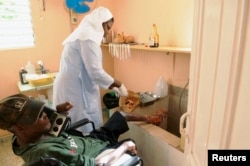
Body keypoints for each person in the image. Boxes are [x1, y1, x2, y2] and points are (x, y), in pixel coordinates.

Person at [0, 94, 167, 166]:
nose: (44, 115)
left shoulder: (28, 135)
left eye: (40, 110)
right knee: (130, 147)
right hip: (99, 153)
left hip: (91, 140)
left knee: (120, 114)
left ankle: (150, 118)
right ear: (20, 127)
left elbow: (48, 123)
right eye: (38, 116)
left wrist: (59, 111)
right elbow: (97, 164)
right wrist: (123, 147)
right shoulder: (46, 152)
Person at [53, 6, 128, 133]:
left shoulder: (83, 33)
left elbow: (90, 70)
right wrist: (119, 85)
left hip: (71, 85)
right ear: (101, 23)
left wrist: (111, 86)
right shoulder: (88, 37)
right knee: (81, 126)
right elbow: (95, 71)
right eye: (108, 28)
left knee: (75, 124)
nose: (108, 32)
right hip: (75, 89)